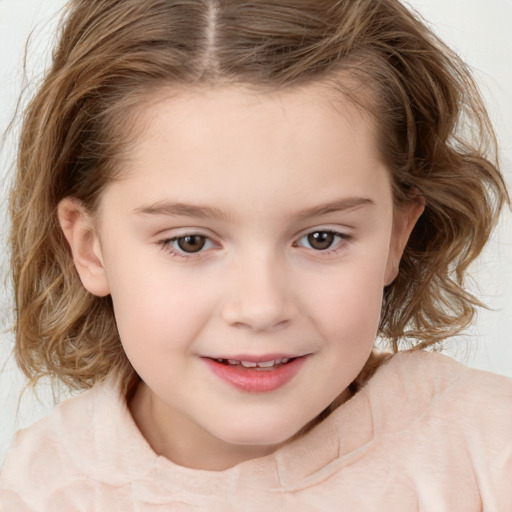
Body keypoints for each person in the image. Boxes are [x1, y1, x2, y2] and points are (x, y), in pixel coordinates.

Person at [1, 0, 511, 509]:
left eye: (321, 238)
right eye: (190, 241)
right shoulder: (32, 495)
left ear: (396, 237)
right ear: (90, 247)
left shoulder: (489, 452)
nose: (262, 308)